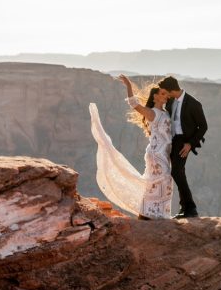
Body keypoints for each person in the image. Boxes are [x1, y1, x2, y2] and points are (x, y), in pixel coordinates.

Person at [89, 76, 174, 219]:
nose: (166, 96)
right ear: (155, 97)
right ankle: (150, 214)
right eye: (163, 94)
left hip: (164, 153)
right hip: (156, 154)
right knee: (158, 182)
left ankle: (153, 214)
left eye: (167, 94)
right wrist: (128, 85)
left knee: (163, 183)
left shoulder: (165, 113)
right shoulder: (152, 112)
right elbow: (134, 104)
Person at [158, 75, 208, 219]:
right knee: (178, 172)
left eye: (165, 92)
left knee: (177, 171)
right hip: (171, 140)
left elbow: (203, 126)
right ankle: (185, 208)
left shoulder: (193, 103)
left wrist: (190, 144)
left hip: (184, 142)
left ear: (171, 90)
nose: (165, 95)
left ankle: (190, 208)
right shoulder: (171, 100)